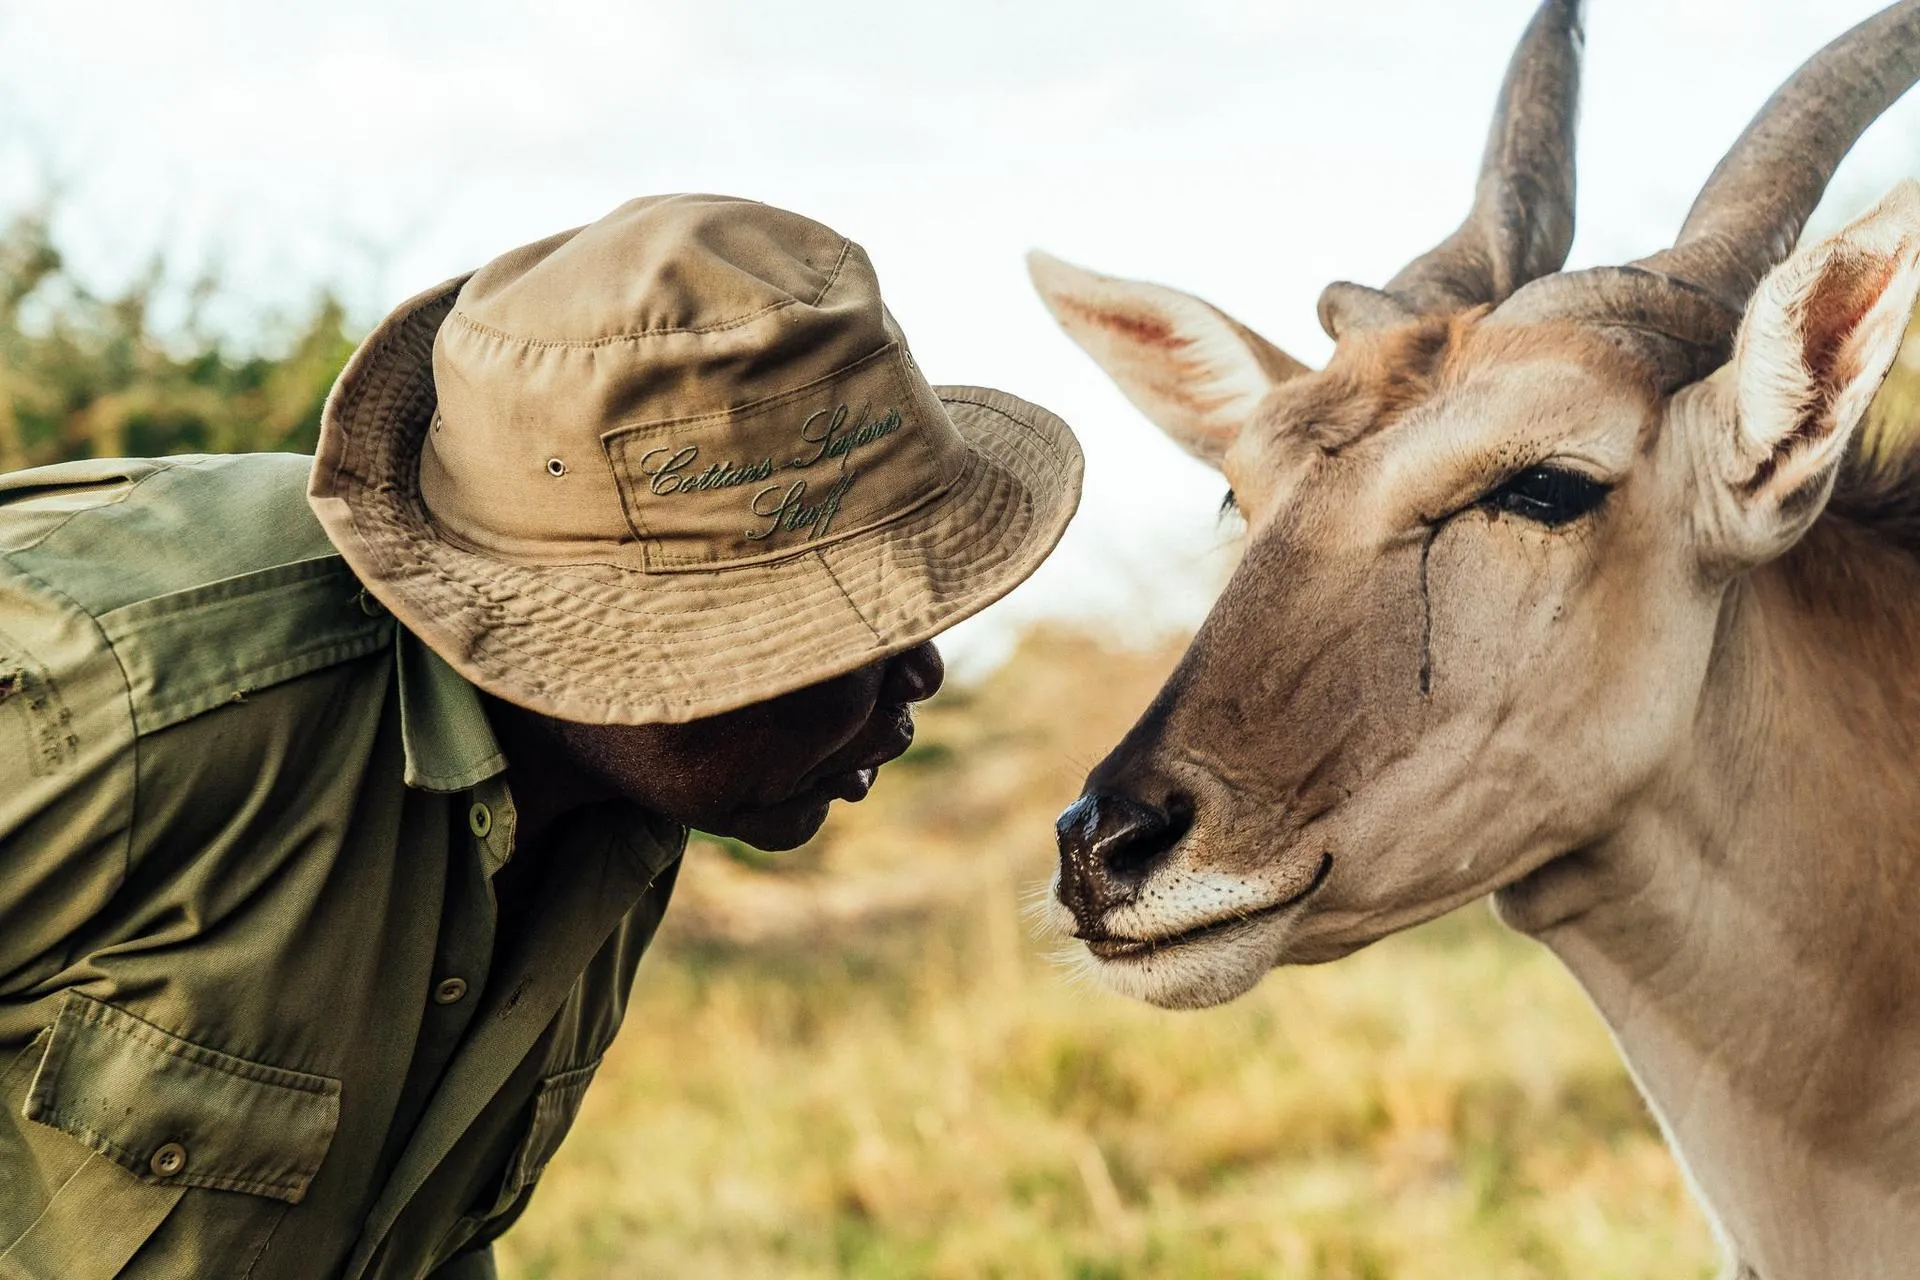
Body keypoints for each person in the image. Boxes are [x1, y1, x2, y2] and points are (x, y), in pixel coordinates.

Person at [0, 194, 1082, 1279]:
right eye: (848, 627)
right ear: (634, 648)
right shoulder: (120, 694)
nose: (923, 673)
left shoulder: (619, 797)